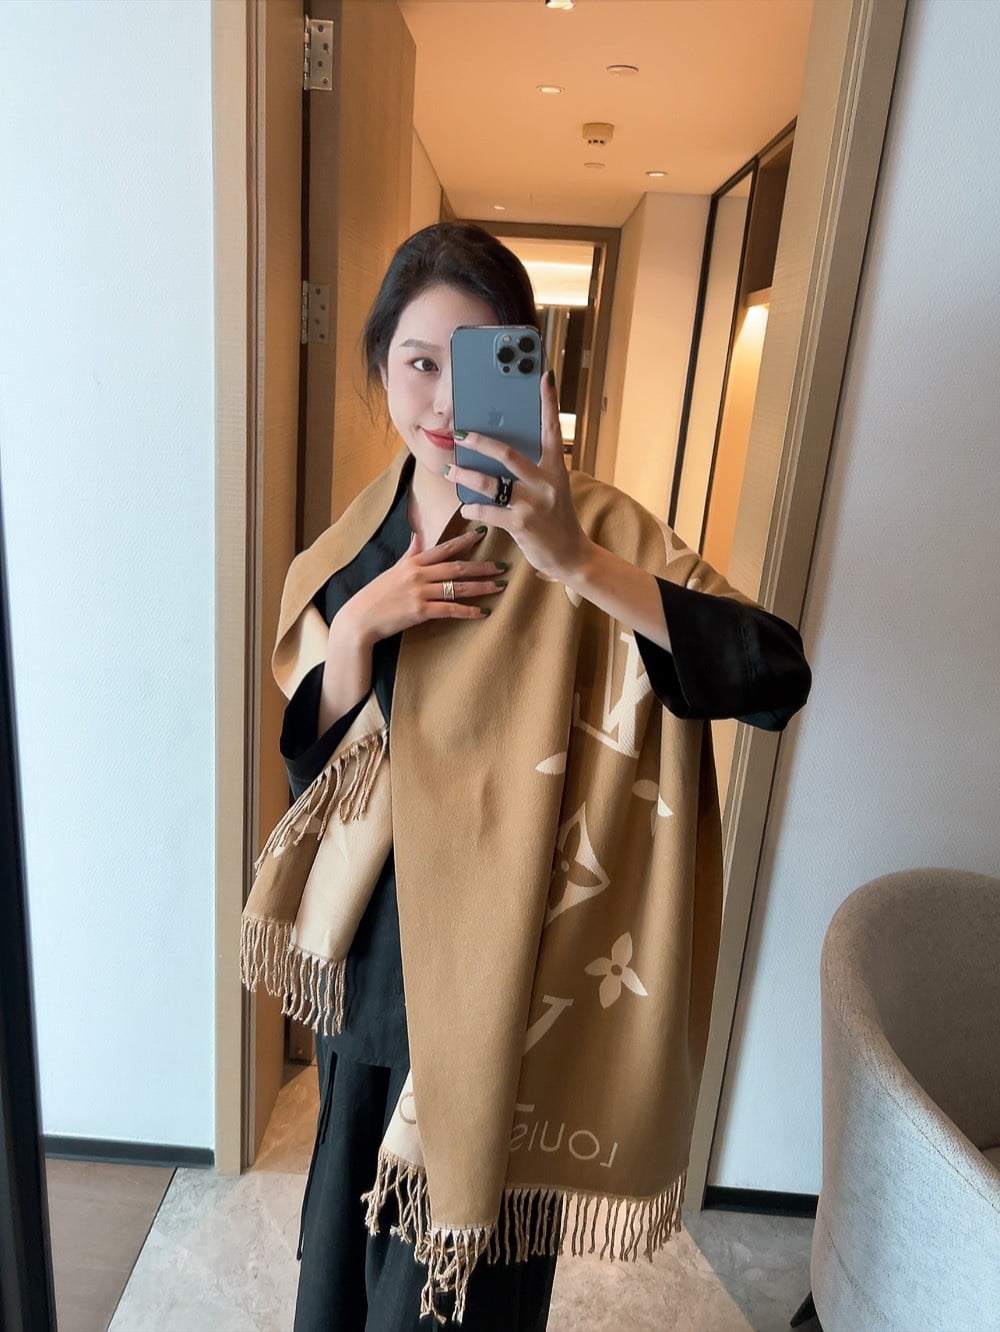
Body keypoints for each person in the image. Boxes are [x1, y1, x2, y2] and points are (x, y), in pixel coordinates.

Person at [241, 222, 811, 1332]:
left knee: (467, 1292)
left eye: (477, 361)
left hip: (515, 965)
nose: (445, 399)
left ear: (527, 372)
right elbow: (319, 771)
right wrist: (359, 628)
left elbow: (774, 676)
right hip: (379, 962)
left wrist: (573, 563)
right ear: (381, 365)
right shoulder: (352, 549)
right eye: (418, 361)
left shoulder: (591, 523)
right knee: (346, 1269)